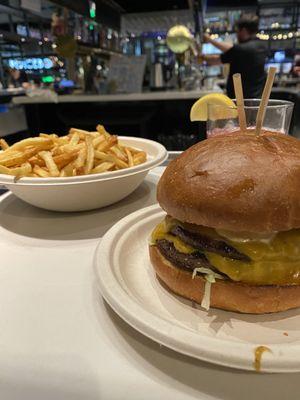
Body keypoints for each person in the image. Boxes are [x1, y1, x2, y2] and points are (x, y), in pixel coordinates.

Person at [202, 14, 267, 98]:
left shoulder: (241, 49)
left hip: (241, 101)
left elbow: (216, 60)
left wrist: (201, 57)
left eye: (237, 31)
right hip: (256, 98)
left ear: (243, 31)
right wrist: (210, 40)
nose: (236, 34)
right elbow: (231, 48)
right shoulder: (261, 46)